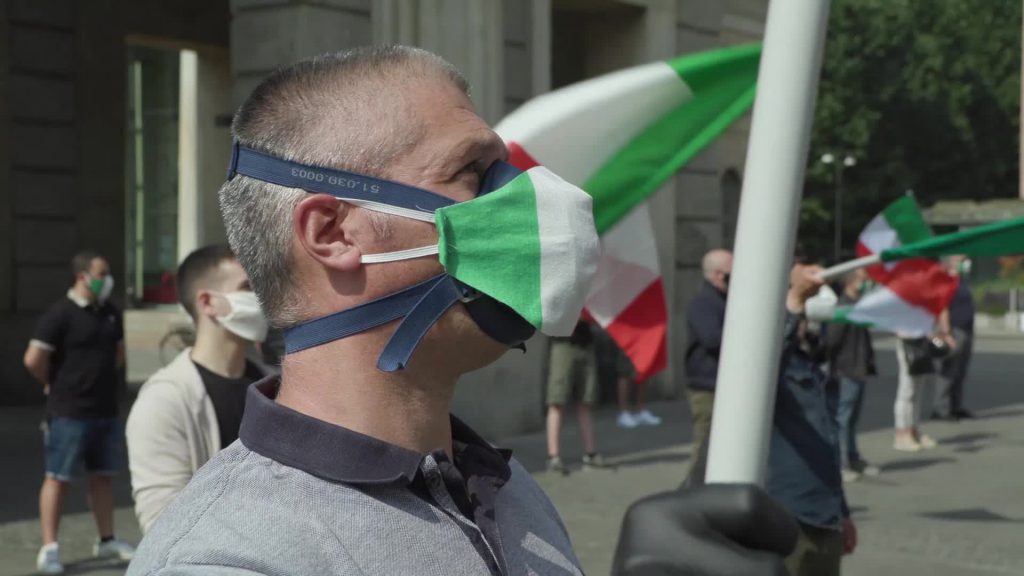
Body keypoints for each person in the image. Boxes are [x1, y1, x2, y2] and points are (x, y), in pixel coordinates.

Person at [126, 46, 798, 576]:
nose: (524, 202)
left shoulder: (503, 489)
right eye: (474, 175)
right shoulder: (229, 557)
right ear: (332, 234)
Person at [125, 245, 269, 533]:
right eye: (247, 287)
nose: (262, 298)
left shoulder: (275, 385)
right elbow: (162, 526)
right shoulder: (164, 400)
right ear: (207, 302)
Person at [22, 251, 135, 574]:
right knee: (58, 478)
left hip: (105, 411)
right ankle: (50, 548)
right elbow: (33, 359)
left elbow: (118, 353)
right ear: (82, 277)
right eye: (102, 273)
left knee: (102, 477)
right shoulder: (59, 315)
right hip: (68, 412)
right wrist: (53, 384)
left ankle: (107, 538)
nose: (107, 279)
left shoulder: (109, 313)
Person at [768, 263, 857, 576]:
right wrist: (793, 301)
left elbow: (826, 442)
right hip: (789, 517)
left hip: (823, 514)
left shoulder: (808, 363)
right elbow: (760, 366)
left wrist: (842, 512)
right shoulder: (769, 360)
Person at [823, 269, 880, 482]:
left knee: (852, 418)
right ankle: (841, 463)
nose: (867, 284)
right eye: (863, 280)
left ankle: (853, 458)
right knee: (843, 418)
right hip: (847, 368)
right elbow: (832, 340)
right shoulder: (843, 307)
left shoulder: (857, 305)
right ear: (851, 282)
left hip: (859, 367)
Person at [683, 249, 731, 474]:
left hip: (716, 384)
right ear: (719, 275)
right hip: (706, 386)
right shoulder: (704, 302)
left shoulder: (721, 299)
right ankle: (690, 492)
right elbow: (712, 339)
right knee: (705, 446)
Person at [545, 320, 607, 474]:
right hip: (563, 342)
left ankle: (589, 453)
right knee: (557, 400)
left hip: (586, 342)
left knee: (586, 400)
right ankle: (554, 456)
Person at [933, 255, 975, 420]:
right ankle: (941, 409)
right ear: (951, 263)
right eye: (961, 261)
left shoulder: (961, 281)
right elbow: (942, 307)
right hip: (953, 330)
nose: (965, 263)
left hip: (966, 330)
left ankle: (956, 406)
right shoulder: (945, 282)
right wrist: (946, 332)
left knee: (960, 370)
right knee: (948, 370)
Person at [615, 342, 661, 428]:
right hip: (627, 334)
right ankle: (623, 413)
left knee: (644, 366)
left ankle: (641, 410)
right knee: (625, 370)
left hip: (644, 333)